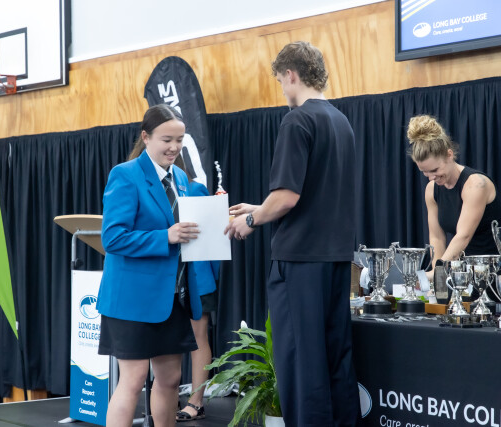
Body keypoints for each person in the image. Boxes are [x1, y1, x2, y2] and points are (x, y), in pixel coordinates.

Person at [225, 41, 359, 427]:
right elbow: (315, 196)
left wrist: (251, 220)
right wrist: (260, 207)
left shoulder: (297, 120)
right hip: (336, 260)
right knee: (335, 360)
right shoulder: (341, 122)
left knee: (302, 364)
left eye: (281, 82)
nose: (283, 90)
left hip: (300, 262)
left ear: (291, 75)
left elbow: (287, 197)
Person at [96, 104, 204, 427]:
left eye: (179, 140)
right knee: (133, 379)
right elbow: (112, 238)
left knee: (170, 378)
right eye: (166, 140)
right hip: (131, 300)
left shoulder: (180, 178)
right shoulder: (125, 175)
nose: (174, 147)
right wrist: (165, 237)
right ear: (146, 137)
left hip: (170, 298)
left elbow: (183, 228)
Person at [407, 115, 501, 276]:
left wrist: (437, 272)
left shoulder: (475, 184)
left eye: (435, 170)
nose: (431, 177)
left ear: (449, 155)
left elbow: (463, 236)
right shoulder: (431, 190)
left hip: (492, 274)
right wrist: (436, 277)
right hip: (460, 275)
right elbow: (437, 238)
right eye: (424, 172)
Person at [175, 180, 220, 422]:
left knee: (198, 338)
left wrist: (212, 276)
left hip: (196, 276)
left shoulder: (194, 190)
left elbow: (212, 236)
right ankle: (167, 397)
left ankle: (196, 402)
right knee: (164, 340)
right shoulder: (147, 190)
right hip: (164, 280)